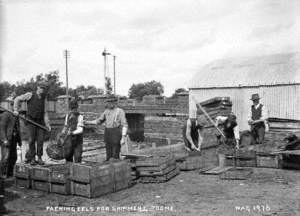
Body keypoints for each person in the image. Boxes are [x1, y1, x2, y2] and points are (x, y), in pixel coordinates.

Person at [13, 82, 51, 165]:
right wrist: (15, 109)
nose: (42, 89)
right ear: (37, 87)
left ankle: (40, 158)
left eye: (44, 88)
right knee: (31, 140)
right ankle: (32, 158)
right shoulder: (30, 95)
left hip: (40, 122)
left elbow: (45, 112)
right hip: (31, 121)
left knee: (40, 141)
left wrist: (47, 124)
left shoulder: (44, 98)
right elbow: (17, 99)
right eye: (41, 87)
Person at [85, 95, 128, 161]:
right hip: (107, 133)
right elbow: (98, 121)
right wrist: (87, 122)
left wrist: (123, 137)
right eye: (108, 102)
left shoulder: (120, 111)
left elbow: (125, 125)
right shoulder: (106, 111)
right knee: (108, 153)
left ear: (115, 102)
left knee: (115, 154)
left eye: (112, 102)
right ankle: (108, 165)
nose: (110, 103)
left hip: (116, 134)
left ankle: (116, 166)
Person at [0, 97, 22, 177]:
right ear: (12, 106)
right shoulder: (6, 114)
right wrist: (4, 139)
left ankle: (10, 174)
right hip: (7, 139)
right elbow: (2, 128)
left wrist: (20, 141)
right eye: (17, 106)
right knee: (5, 157)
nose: (18, 108)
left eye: (19, 106)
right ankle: (3, 175)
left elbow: (18, 128)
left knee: (14, 157)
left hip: (14, 139)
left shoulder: (16, 115)